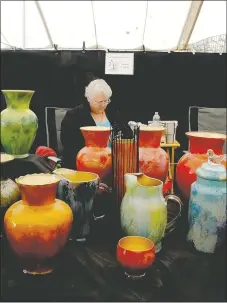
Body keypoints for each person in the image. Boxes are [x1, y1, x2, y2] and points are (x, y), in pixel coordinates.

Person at [61, 78, 123, 168]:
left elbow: (124, 134)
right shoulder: (74, 116)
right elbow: (70, 147)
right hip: (86, 164)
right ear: (89, 99)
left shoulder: (112, 113)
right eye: (99, 102)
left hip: (113, 164)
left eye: (106, 101)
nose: (103, 105)